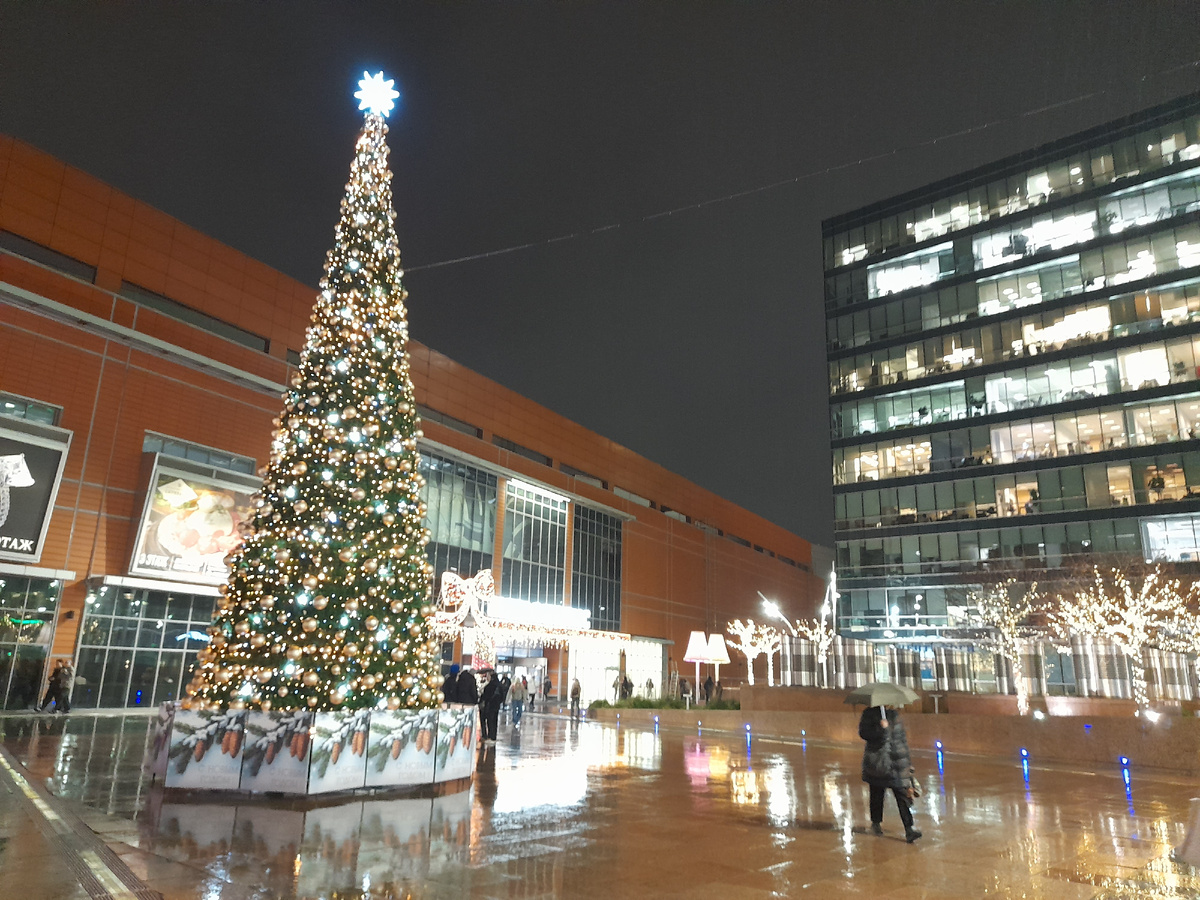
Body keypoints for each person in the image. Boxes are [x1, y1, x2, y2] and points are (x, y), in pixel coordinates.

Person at [859, 704, 921, 843]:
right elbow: (864, 734)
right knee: (876, 793)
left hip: (897, 762)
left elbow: (902, 740)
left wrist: (908, 763)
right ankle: (876, 823)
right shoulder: (869, 714)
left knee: (902, 794)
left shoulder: (894, 715)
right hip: (879, 761)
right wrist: (881, 729)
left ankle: (909, 829)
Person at [479, 670, 502, 743]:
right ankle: (493, 737)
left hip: (489, 705)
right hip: (496, 706)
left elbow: (485, 696)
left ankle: (489, 736)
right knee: (494, 721)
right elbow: (502, 696)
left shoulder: (490, 686)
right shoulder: (499, 685)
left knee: (490, 721)